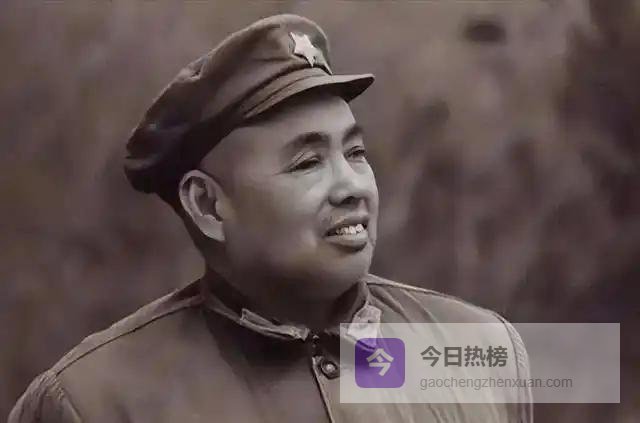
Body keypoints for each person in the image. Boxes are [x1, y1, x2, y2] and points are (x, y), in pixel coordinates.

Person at [9, 14, 532, 423]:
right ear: (207, 205)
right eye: (307, 162)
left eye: (355, 152)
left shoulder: (481, 349)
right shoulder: (94, 402)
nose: (352, 185)